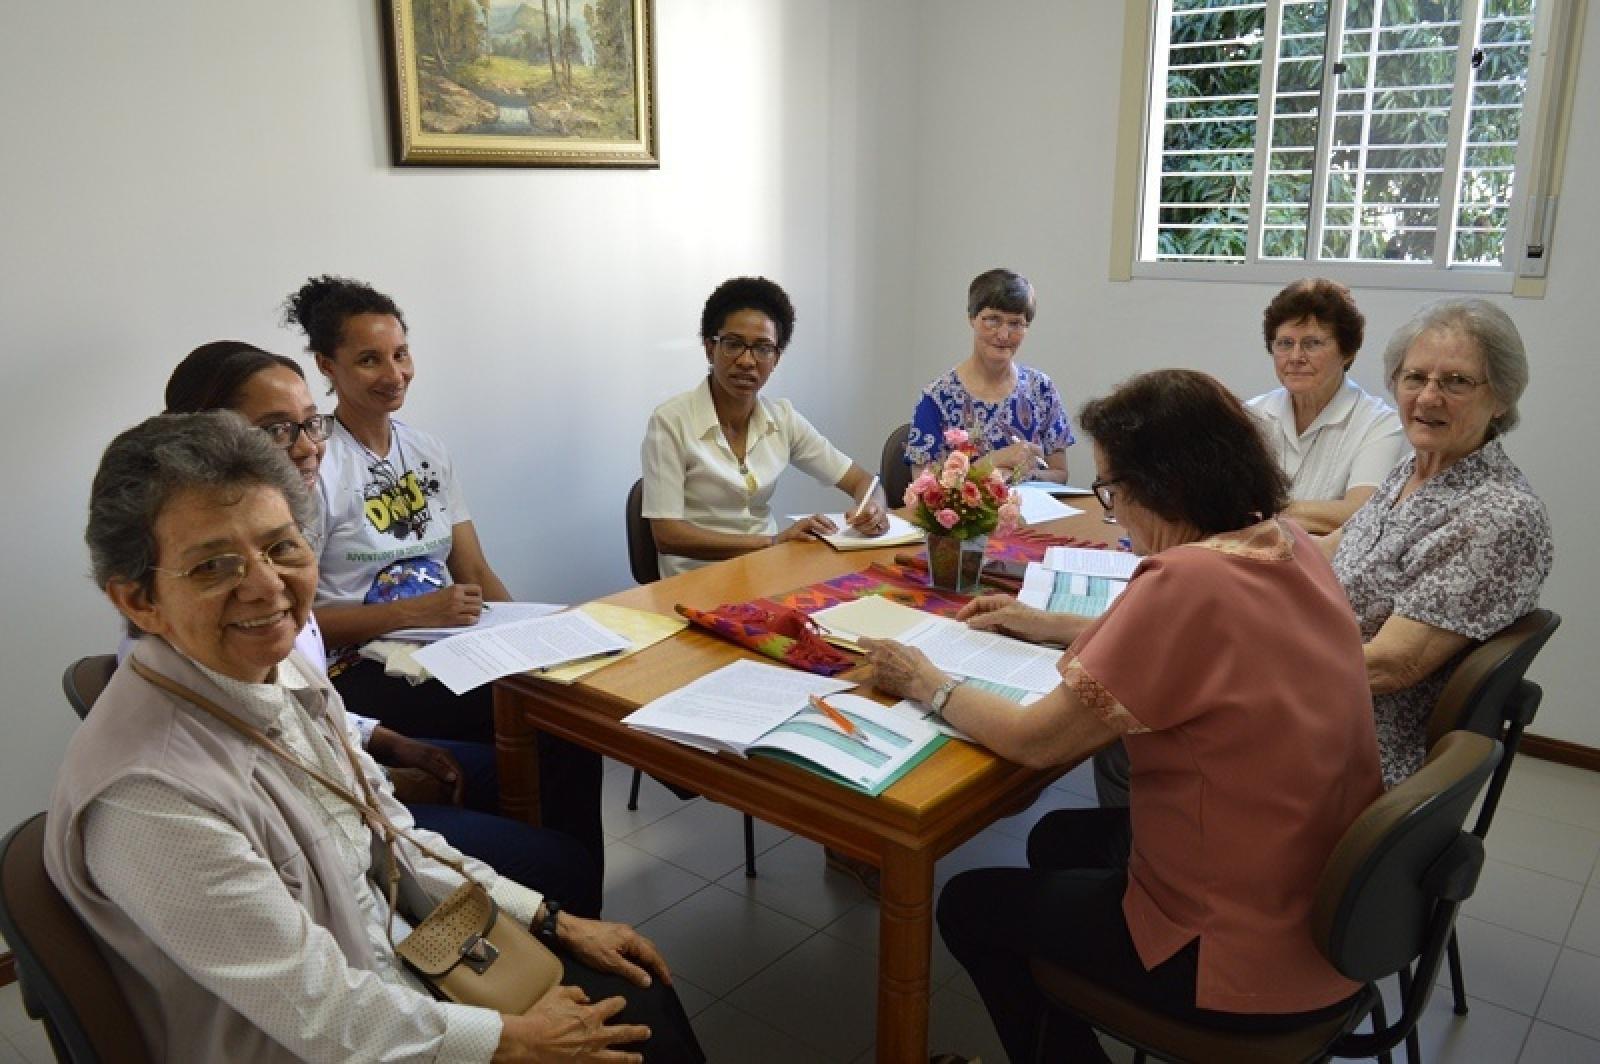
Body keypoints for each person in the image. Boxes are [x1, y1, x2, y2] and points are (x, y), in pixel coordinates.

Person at [46, 411, 704, 1063]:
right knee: (639, 1032)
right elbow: (318, 1012)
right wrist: (511, 1040)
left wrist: (548, 919)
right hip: (318, 1039)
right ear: (137, 601)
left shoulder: (280, 669)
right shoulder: (147, 794)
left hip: (392, 969)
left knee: (638, 997)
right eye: (214, 567)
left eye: (282, 547)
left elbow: (391, 836)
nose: (267, 586)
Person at [864, 370, 1383, 1062]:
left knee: (969, 906)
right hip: (1324, 910)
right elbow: (1196, 651)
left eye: (1110, 491)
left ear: (1158, 484)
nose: (1114, 513)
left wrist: (928, 682)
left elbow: (1035, 741)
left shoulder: (1184, 582)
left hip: (1235, 956)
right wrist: (1048, 624)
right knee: (1057, 841)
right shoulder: (1288, 545)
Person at [160, 340, 599, 915]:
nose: (307, 447)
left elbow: (305, 696)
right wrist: (378, 781)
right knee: (554, 860)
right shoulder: (205, 590)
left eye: (309, 424)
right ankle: (547, 944)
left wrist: (383, 742)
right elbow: (279, 762)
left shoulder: (282, 544)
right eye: (274, 430)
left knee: (557, 750)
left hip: (349, 758)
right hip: (324, 811)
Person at [284, 276, 605, 873]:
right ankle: (547, 885)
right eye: (369, 360)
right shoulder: (315, 468)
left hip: (451, 650)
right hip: (364, 668)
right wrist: (413, 613)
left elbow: (474, 568)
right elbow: (296, 623)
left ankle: (571, 892)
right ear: (328, 366)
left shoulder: (428, 450)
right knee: (550, 734)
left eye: (401, 354)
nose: (393, 373)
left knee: (566, 712)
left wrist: (528, 634)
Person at [1330, 298, 1552, 787]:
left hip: (1352, 743)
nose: (1429, 397)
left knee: (1134, 742)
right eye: (1415, 378)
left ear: (1500, 398)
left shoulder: (1498, 516)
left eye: (1456, 382)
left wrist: (1256, 661)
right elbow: (1332, 551)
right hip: (1317, 701)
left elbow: (1389, 665)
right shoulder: (1416, 473)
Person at [640, 275, 889, 578]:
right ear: (709, 348)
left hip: (765, 574)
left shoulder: (782, 419)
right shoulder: (670, 421)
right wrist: (771, 542)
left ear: (776, 358)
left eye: (762, 348)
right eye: (733, 345)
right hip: (695, 582)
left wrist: (873, 509)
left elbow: (864, 481)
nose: (747, 361)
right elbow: (667, 535)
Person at [1246, 278, 1406, 534]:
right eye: (1285, 344)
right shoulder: (1252, 414)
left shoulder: (1380, 424)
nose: (1296, 357)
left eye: (1312, 344)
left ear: (1348, 352)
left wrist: (1265, 510)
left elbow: (1362, 513)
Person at [904, 268, 1073, 483]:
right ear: (972, 318)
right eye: (992, 320)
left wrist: (1021, 476)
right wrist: (993, 462)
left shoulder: (1041, 389)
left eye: (1015, 324)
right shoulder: (937, 397)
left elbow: (1060, 473)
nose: (1003, 335)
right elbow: (924, 487)